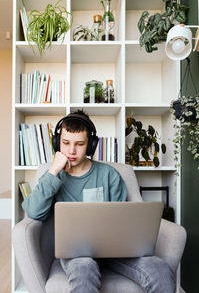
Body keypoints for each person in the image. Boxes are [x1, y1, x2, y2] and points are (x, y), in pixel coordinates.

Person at [22, 110, 176, 293]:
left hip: (116, 252)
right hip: (77, 254)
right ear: (57, 143)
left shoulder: (110, 175)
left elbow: (122, 220)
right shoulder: (52, 177)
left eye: (79, 144)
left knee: (160, 269)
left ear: (90, 145)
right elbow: (33, 212)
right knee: (84, 268)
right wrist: (54, 170)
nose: (71, 151)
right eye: (65, 143)